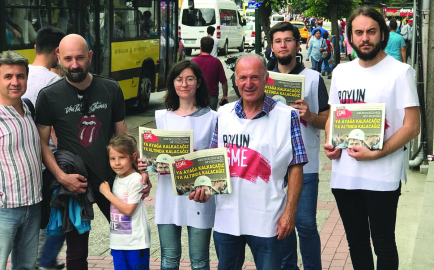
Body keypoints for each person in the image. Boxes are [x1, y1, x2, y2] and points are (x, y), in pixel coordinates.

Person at [35, 34, 151, 269]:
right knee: (76, 254)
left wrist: (139, 170)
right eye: (68, 59)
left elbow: (124, 136)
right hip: (73, 181)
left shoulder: (110, 88)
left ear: (89, 56)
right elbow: (42, 144)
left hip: (111, 178)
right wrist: (62, 177)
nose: (74, 64)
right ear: (58, 57)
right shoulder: (49, 96)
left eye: (79, 58)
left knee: (130, 239)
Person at [324, 6, 420, 270]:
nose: (365, 38)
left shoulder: (401, 72)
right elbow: (334, 114)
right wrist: (330, 142)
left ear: (382, 35)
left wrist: (378, 152)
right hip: (345, 174)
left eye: (371, 32)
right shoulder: (342, 72)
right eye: (358, 32)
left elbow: (412, 127)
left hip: (383, 175)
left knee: (383, 242)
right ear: (350, 37)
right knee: (356, 242)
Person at [191, 54, 307, 270]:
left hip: (269, 218)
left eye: (255, 77)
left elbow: (296, 167)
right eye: (243, 77)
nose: (248, 83)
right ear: (235, 80)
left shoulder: (287, 116)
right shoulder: (223, 115)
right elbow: (214, 163)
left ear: (266, 79)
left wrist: (289, 213)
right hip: (227, 217)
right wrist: (203, 189)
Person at [146, 60, 217, 270]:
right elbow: (154, 159)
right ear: (172, 83)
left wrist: (196, 158)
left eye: (189, 79)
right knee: (168, 259)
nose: (184, 84)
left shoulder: (213, 118)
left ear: (198, 83)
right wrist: (148, 163)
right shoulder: (161, 117)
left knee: (200, 261)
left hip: (199, 194)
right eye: (179, 79)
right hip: (168, 194)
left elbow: (217, 158)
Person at [269, 22, 329, 270]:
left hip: (306, 166)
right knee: (280, 227)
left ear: (298, 44)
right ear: (272, 47)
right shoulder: (263, 78)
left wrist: (309, 116)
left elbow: (328, 121)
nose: (283, 45)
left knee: (305, 224)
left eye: (288, 40)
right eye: (278, 41)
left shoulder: (314, 78)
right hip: (272, 165)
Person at [19, 26, 67, 270]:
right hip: (48, 161)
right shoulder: (54, 81)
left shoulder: (19, 76)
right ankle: (43, 260)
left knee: (34, 215)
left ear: (35, 47)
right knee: (54, 213)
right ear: (58, 52)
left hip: (23, 159)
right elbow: (58, 132)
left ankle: (36, 259)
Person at [0, 51, 43, 270]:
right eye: (8, 76)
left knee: (26, 266)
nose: (15, 82)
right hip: (4, 208)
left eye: (20, 76)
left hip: (33, 205)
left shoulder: (28, 107)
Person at [99, 134, 151, 270]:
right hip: (118, 243)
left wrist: (107, 193)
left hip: (136, 244)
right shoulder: (117, 177)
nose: (117, 163)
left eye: (122, 158)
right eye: (112, 158)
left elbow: (129, 210)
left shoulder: (135, 179)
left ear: (133, 157)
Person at [192, 36, 228, 111]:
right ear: (212, 48)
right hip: (212, 96)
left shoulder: (193, 61)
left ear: (200, 47)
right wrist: (224, 96)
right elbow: (224, 82)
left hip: (196, 95)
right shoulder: (216, 62)